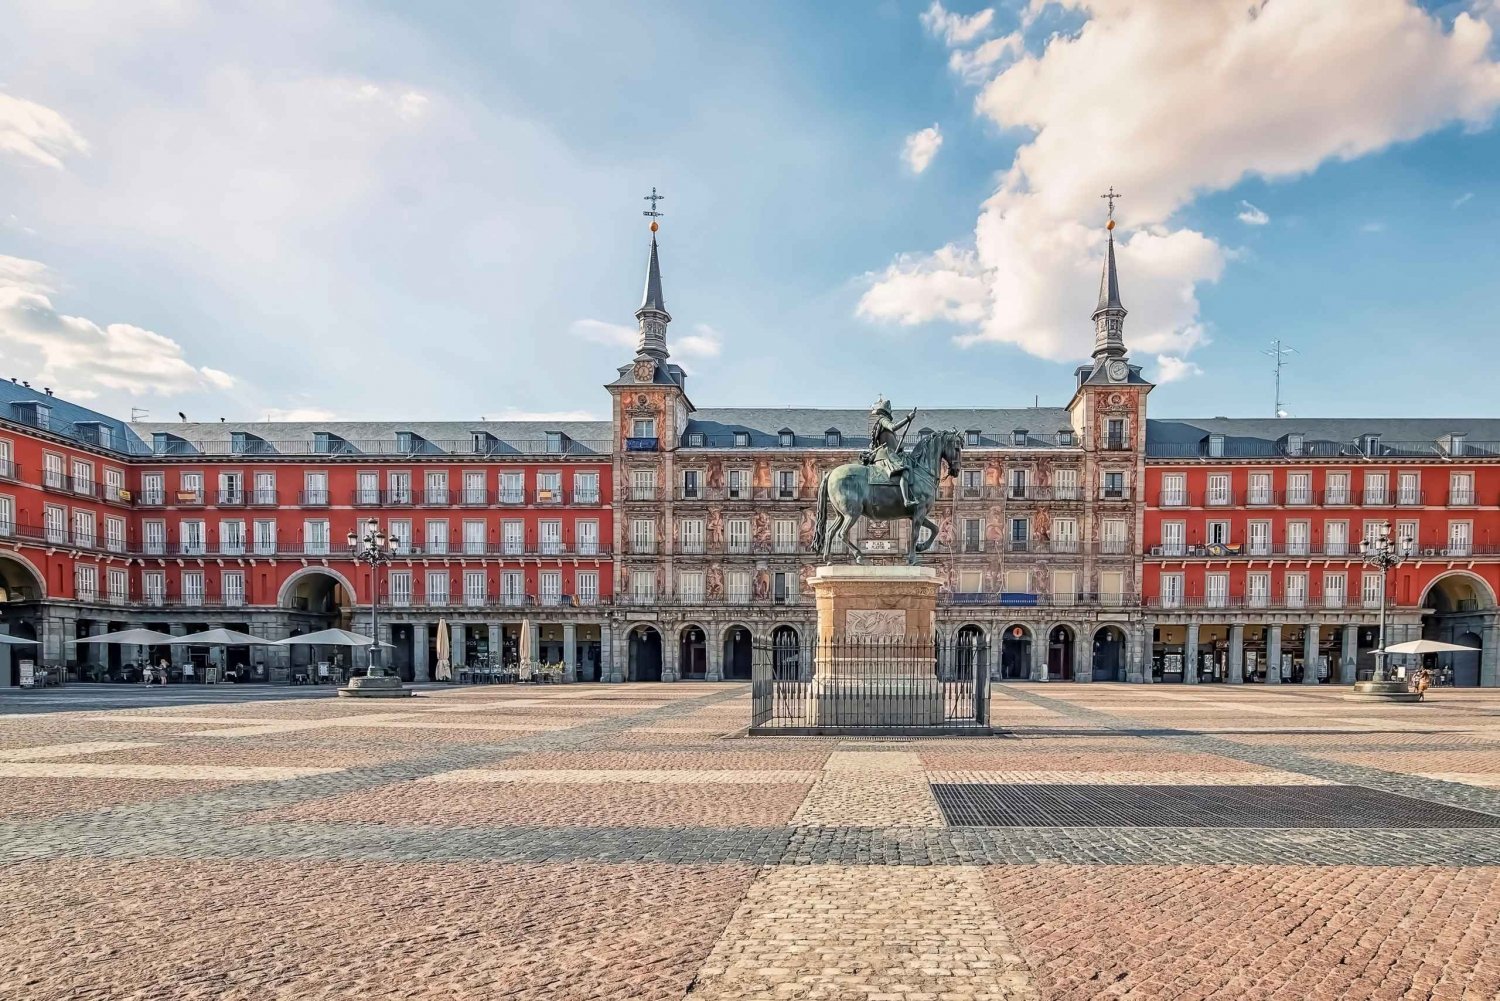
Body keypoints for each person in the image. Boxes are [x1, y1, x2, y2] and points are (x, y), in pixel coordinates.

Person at [864, 396, 917, 509]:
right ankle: (906, 500)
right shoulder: (883, 420)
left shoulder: (881, 423)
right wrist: (908, 418)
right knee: (905, 471)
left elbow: (893, 442)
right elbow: (893, 427)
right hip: (885, 454)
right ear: (887, 412)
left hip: (889, 453)